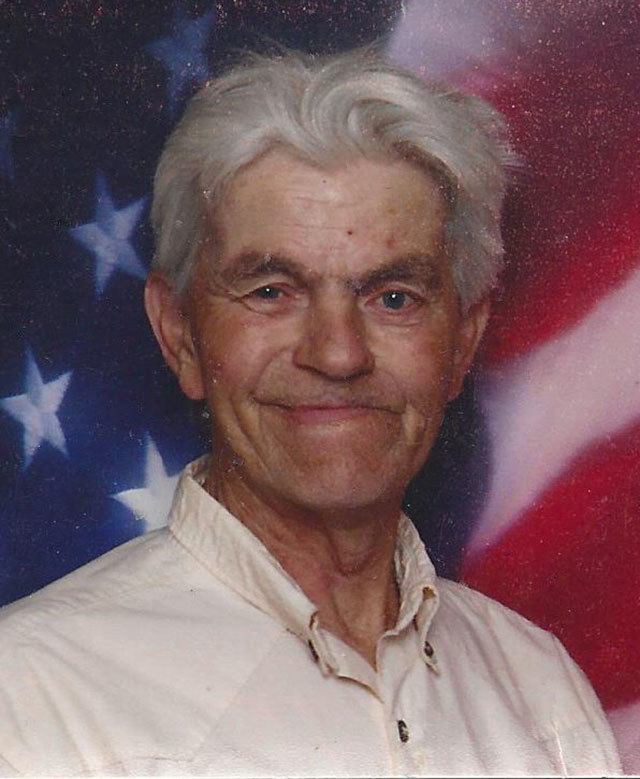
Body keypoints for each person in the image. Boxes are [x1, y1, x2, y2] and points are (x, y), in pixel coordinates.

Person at [0, 49, 620, 777]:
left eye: (393, 297)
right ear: (180, 334)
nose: (337, 353)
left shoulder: (539, 692)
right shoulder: (35, 694)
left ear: (462, 343)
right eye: (271, 291)